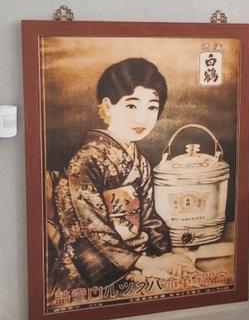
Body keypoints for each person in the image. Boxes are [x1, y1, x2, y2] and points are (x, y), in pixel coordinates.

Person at [50, 58, 195, 300]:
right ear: (108, 107)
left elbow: (148, 217)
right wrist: (145, 264)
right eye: (131, 106)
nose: (142, 118)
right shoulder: (85, 162)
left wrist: (166, 255)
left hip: (141, 261)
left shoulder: (140, 162)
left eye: (151, 107)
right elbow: (89, 231)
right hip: (96, 274)